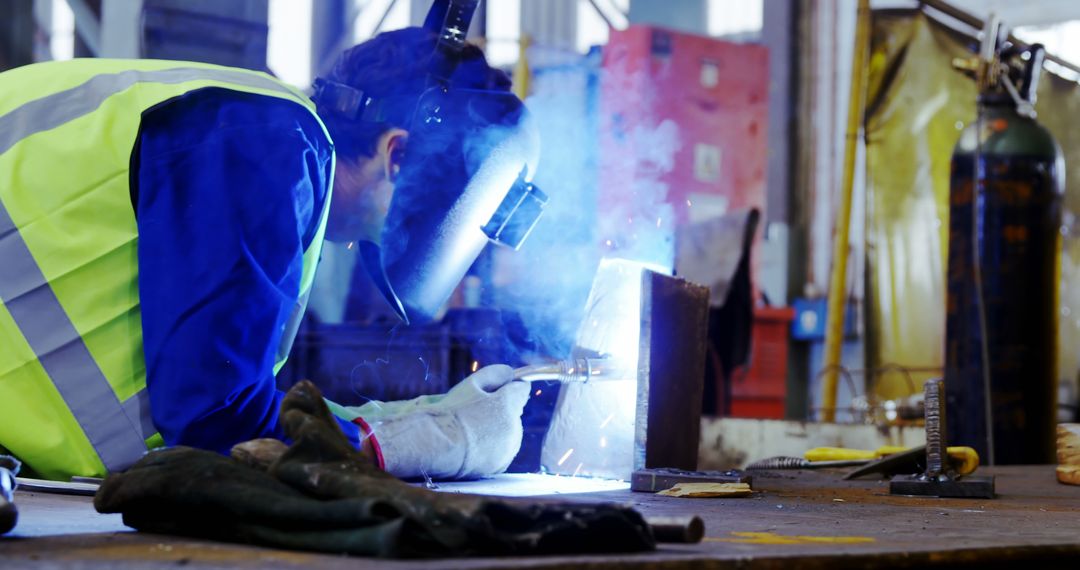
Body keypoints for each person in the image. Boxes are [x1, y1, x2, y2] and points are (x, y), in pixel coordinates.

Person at [0, 25, 534, 481]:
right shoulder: (266, 141)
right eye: (415, 217)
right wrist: (427, 440)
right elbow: (215, 421)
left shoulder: (259, 132)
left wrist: (396, 419)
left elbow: (219, 398)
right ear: (396, 154)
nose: (373, 244)